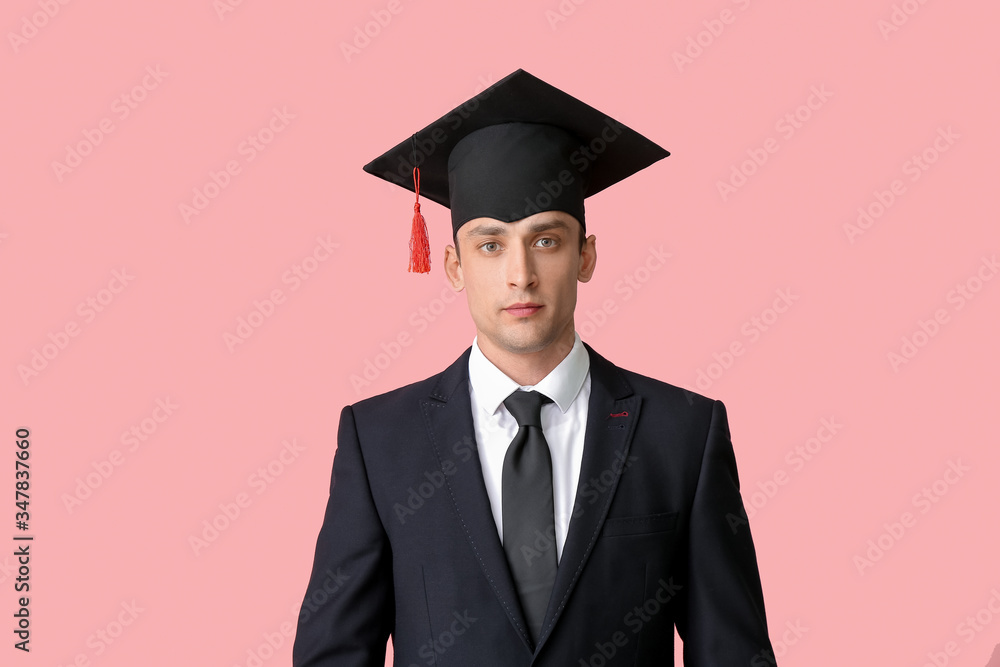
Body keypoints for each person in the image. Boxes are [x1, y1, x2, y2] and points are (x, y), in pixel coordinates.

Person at [293, 69, 776, 666]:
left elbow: (733, 653)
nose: (520, 274)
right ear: (453, 266)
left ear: (586, 255)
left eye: (545, 240)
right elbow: (334, 656)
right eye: (490, 245)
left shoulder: (683, 433)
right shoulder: (380, 440)